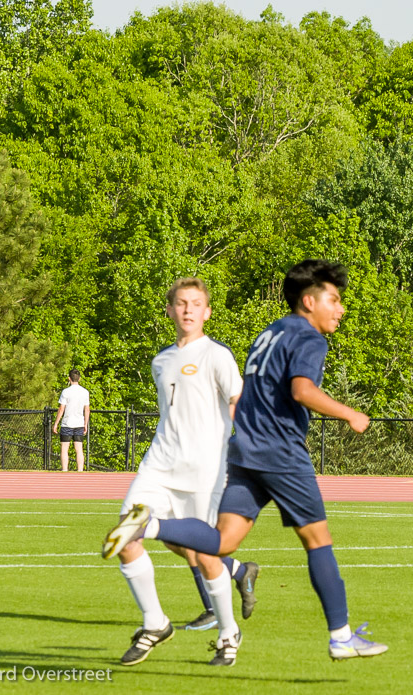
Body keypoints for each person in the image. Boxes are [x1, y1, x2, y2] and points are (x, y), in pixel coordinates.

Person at [102, 260, 388, 666]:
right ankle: (341, 636)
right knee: (318, 540)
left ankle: (148, 525)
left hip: (244, 453)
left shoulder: (269, 332)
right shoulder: (309, 337)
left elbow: (247, 395)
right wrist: (350, 414)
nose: (340, 309)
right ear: (309, 301)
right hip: (282, 454)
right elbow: (302, 390)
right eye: (335, 300)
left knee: (221, 543)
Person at [106, 278, 260, 666]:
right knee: (125, 535)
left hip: (206, 471)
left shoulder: (217, 355)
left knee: (206, 555)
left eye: (196, 303)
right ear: (170, 311)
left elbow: (238, 400)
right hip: (159, 465)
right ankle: (155, 623)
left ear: (207, 312)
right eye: (181, 303)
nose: (188, 309)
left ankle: (228, 634)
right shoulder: (160, 360)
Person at [51, 370, 90, 472]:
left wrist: (56, 423)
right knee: (79, 449)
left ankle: (64, 470)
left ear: (69, 378)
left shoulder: (66, 392)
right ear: (79, 378)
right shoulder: (85, 392)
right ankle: (80, 471)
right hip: (79, 424)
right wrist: (85, 423)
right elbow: (87, 409)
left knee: (64, 449)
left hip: (67, 424)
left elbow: (61, 408)